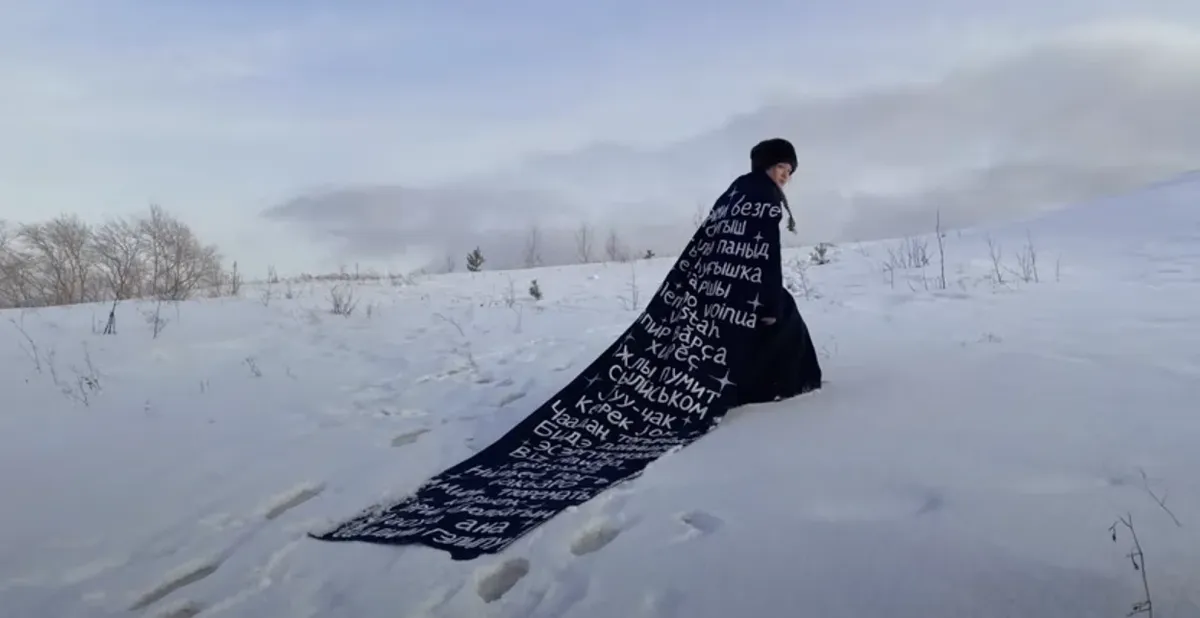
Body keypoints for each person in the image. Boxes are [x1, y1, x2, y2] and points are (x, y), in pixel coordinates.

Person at [732, 138, 823, 404]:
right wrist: (770, 304)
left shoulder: (738, 191)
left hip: (729, 281)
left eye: (790, 171)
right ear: (766, 165)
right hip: (752, 284)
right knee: (782, 324)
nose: (786, 176)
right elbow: (766, 252)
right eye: (782, 167)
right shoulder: (765, 196)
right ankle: (784, 386)